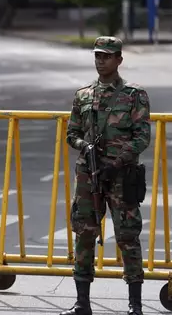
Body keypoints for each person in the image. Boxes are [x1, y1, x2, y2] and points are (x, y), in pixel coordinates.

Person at [63, 36, 150, 315]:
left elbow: (142, 137)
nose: (101, 61)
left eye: (107, 56)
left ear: (119, 60)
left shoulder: (134, 95)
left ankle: (135, 305)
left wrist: (119, 160)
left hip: (122, 175)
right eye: (98, 56)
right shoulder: (84, 95)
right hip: (89, 175)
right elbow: (72, 134)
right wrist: (84, 146)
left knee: (127, 236)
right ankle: (82, 304)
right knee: (84, 234)